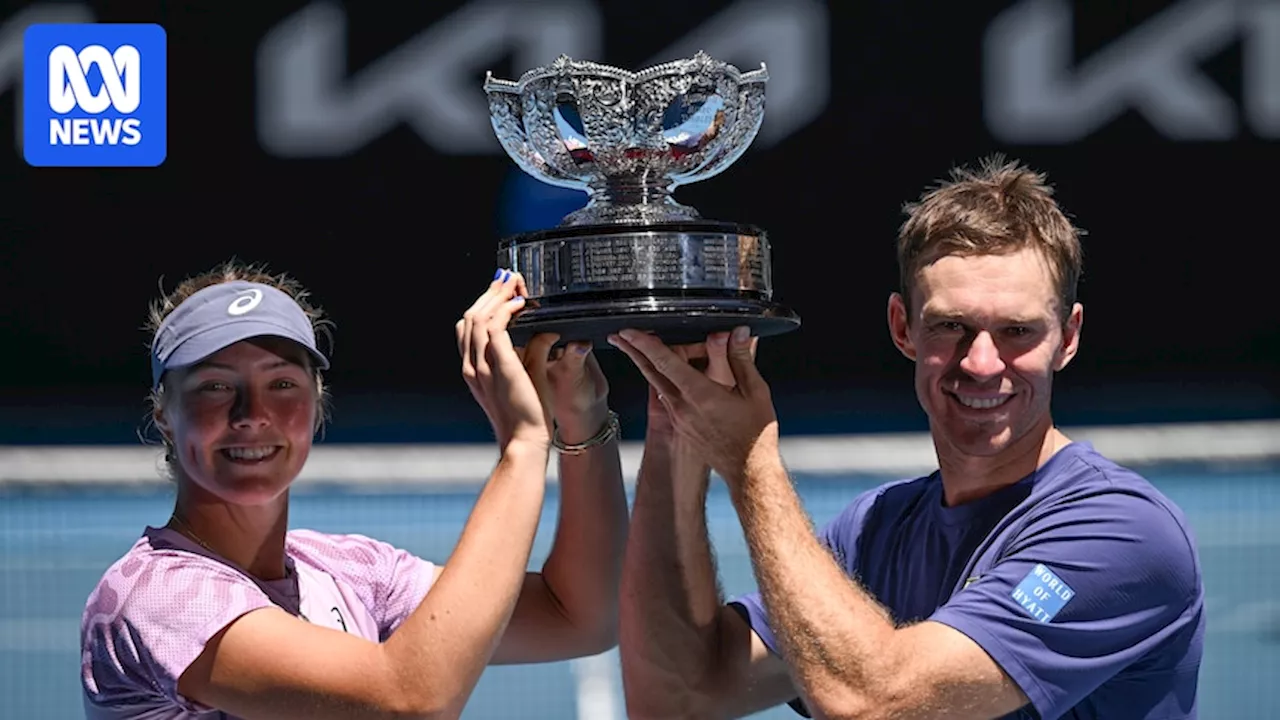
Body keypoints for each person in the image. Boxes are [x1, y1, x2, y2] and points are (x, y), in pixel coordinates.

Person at [612, 157, 1205, 720]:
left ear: (1068, 338)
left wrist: (749, 460)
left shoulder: (1123, 533)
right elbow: (676, 698)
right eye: (951, 326)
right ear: (903, 328)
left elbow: (875, 706)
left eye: (1017, 331)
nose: (980, 363)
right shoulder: (875, 529)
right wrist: (676, 420)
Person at [80, 261, 628, 719]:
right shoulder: (155, 594)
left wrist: (582, 416)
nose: (252, 415)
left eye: (282, 384)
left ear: (316, 405)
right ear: (163, 414)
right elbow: (411, 699)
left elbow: (582, 616)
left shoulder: (352, 572)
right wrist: (524, 445)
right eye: (216, 386)